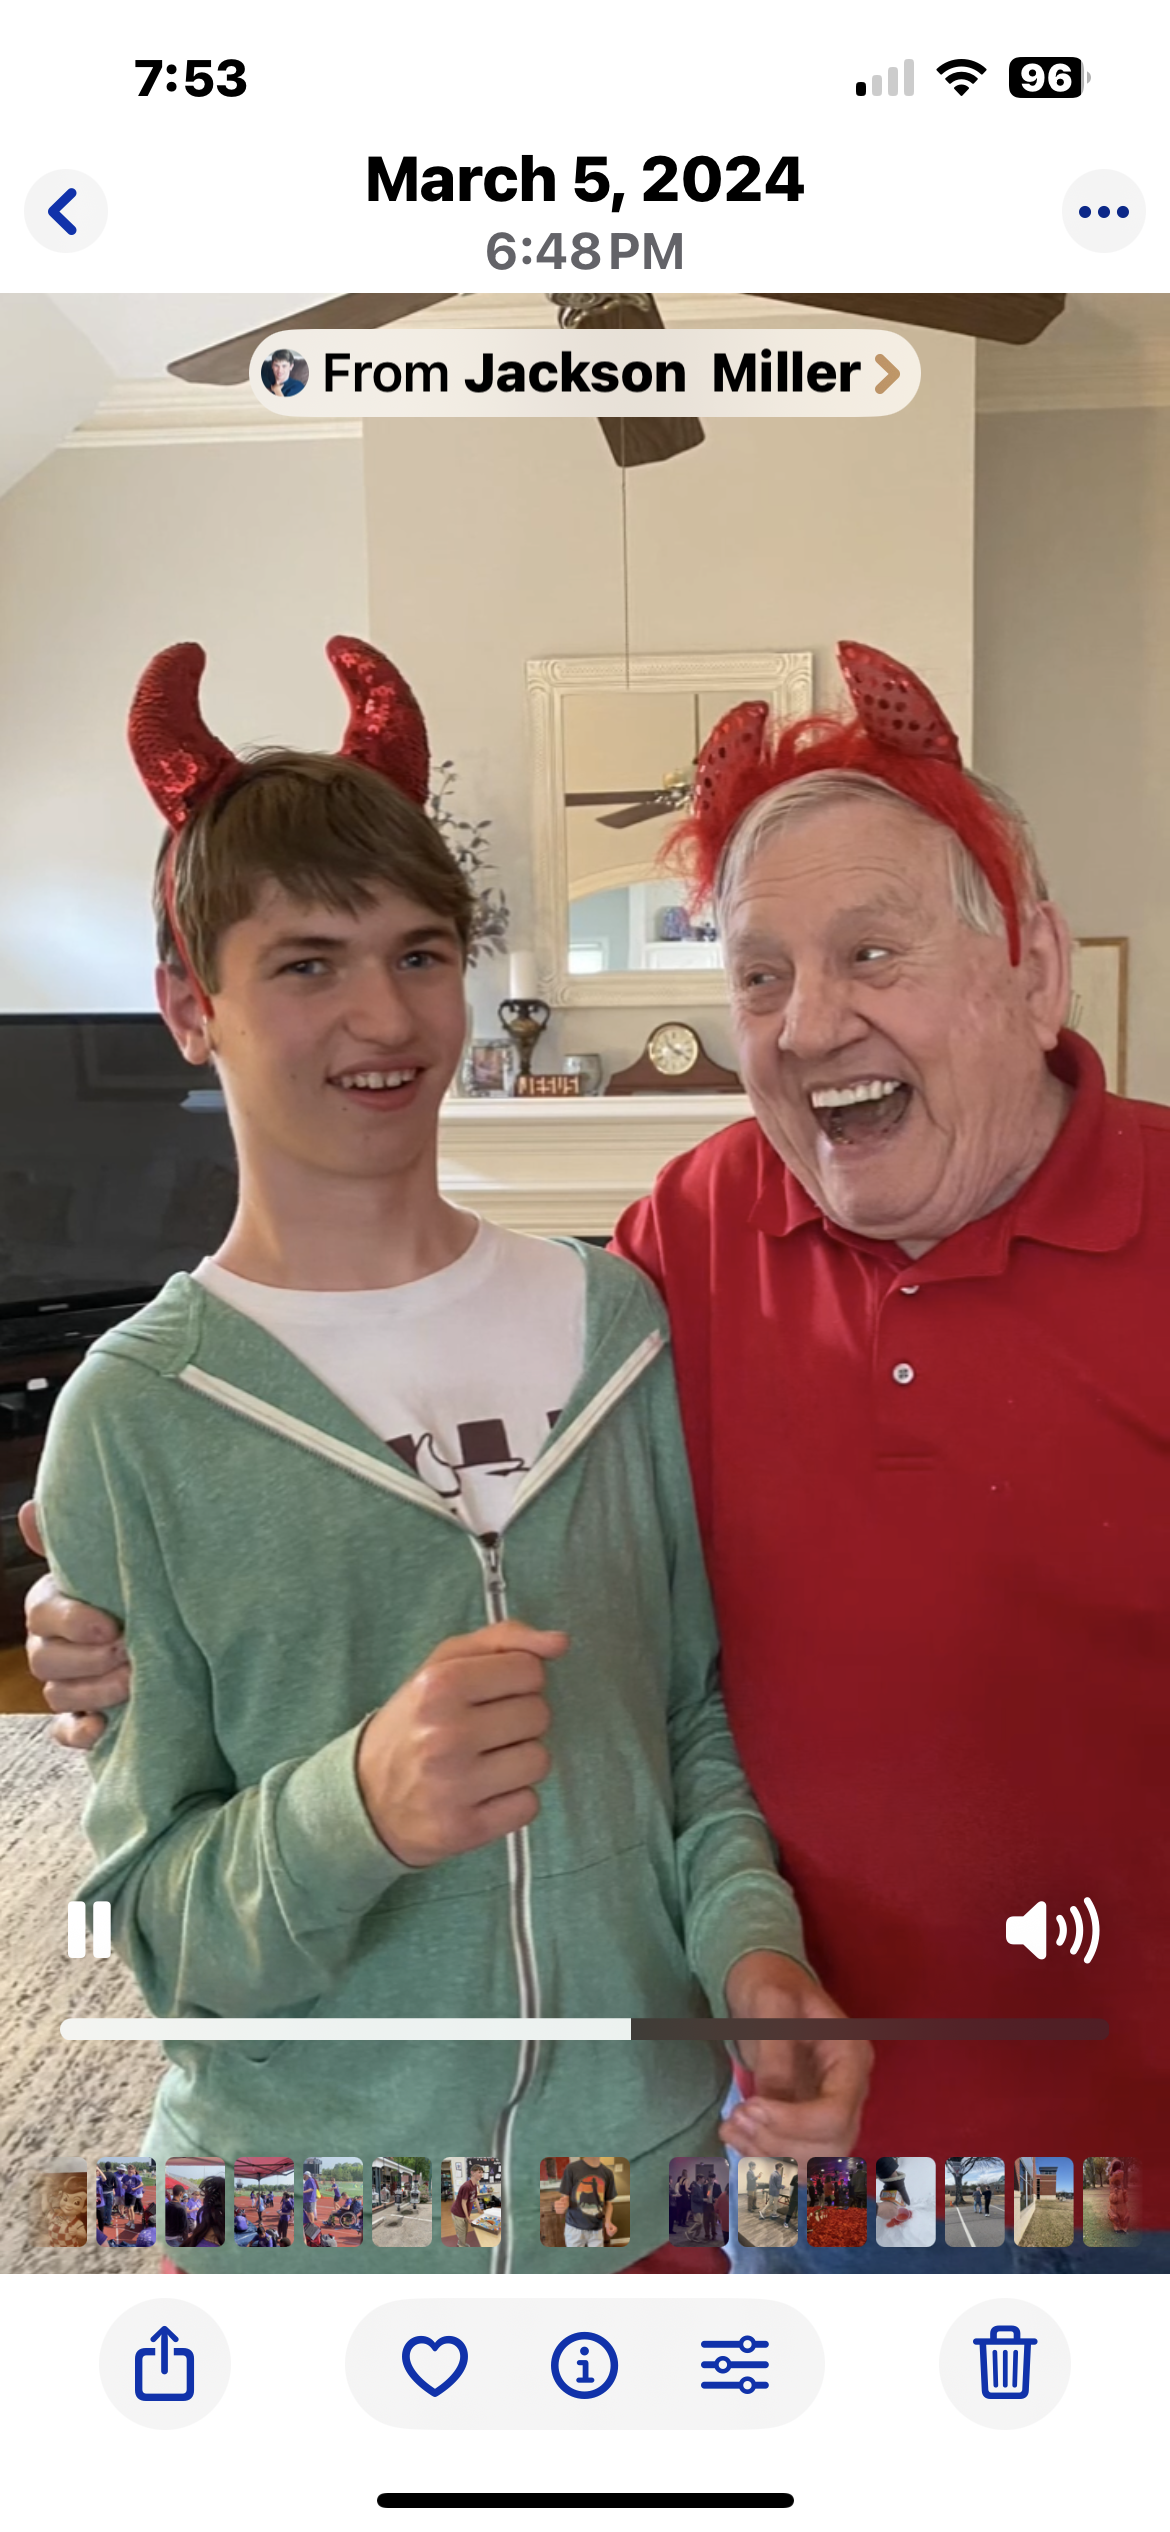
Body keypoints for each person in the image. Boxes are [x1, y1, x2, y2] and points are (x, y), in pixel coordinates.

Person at [22, 635, 836, 2278]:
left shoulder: (621, 1326)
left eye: (421, 951)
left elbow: (684, 1722)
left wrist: (753, 1956)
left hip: (641, 2190)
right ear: (194, 1003)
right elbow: (136, 1933)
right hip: (316, 2223)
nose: (386, 1016)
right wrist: (360, 1810)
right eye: (307, 963)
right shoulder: (136, 1413)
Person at [603, 641, 1170, 2269]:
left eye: (871, 951)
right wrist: (164, 1582)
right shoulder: (692, 1227)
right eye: (761, 974)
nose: (808, 1022)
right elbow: (490, 1498)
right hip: (803, 2135)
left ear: (1035, 968)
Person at [555, 2157, 617, 2249]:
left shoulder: (608, 2173)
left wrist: (608, 2222)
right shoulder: (571, 2169)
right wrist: (561, 2206)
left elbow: (608, 2203)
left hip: (597, 2230)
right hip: (574, 2229)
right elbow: (565, 2199)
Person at [450, 2164, 482, 2249]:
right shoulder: (466, 2186)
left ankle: (461, 2242)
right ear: (472, 2173)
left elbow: (475, 2198)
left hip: (465, 2212)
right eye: (479, 2172)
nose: (481, 2174)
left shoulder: (474, 2185)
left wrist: (479, 2209)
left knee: (464, 2231)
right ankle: (461, 2245)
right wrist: (467, 2217)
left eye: (482, 2172)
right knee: (462, 2231)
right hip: (458, 2212)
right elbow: (463, 2203)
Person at [1108, 2160, 1129, 2235]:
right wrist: (1115, 2192)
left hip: (1122, 2206)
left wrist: (1124, 2193)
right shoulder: (1112, 2182)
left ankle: (1124, 2228)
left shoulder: (1121, 2185)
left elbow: (1125, 2199)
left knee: (1126, 2217)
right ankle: (1117, 2228)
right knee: (1115, 2217)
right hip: (1115, 2206)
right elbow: (1112, 2199)